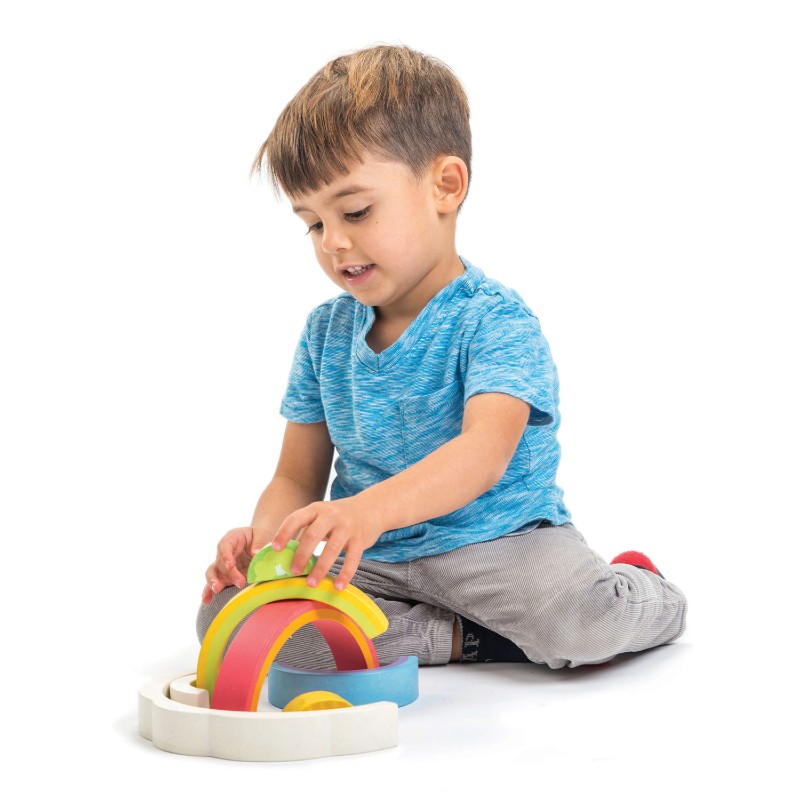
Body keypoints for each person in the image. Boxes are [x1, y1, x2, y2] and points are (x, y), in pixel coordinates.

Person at [197, 45, 686, 670]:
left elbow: (483, 453)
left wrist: (367, 512)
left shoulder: (495, 320)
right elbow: (296, 476)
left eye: (355, 211)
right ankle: (465, 638)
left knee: (578, 625)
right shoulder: (325, 333)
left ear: (445, 186)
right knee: (231, 618)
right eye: (313, 224)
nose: (334, 242)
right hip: (371, 559)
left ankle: (636, 588)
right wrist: (268, 542)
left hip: (499, 545)